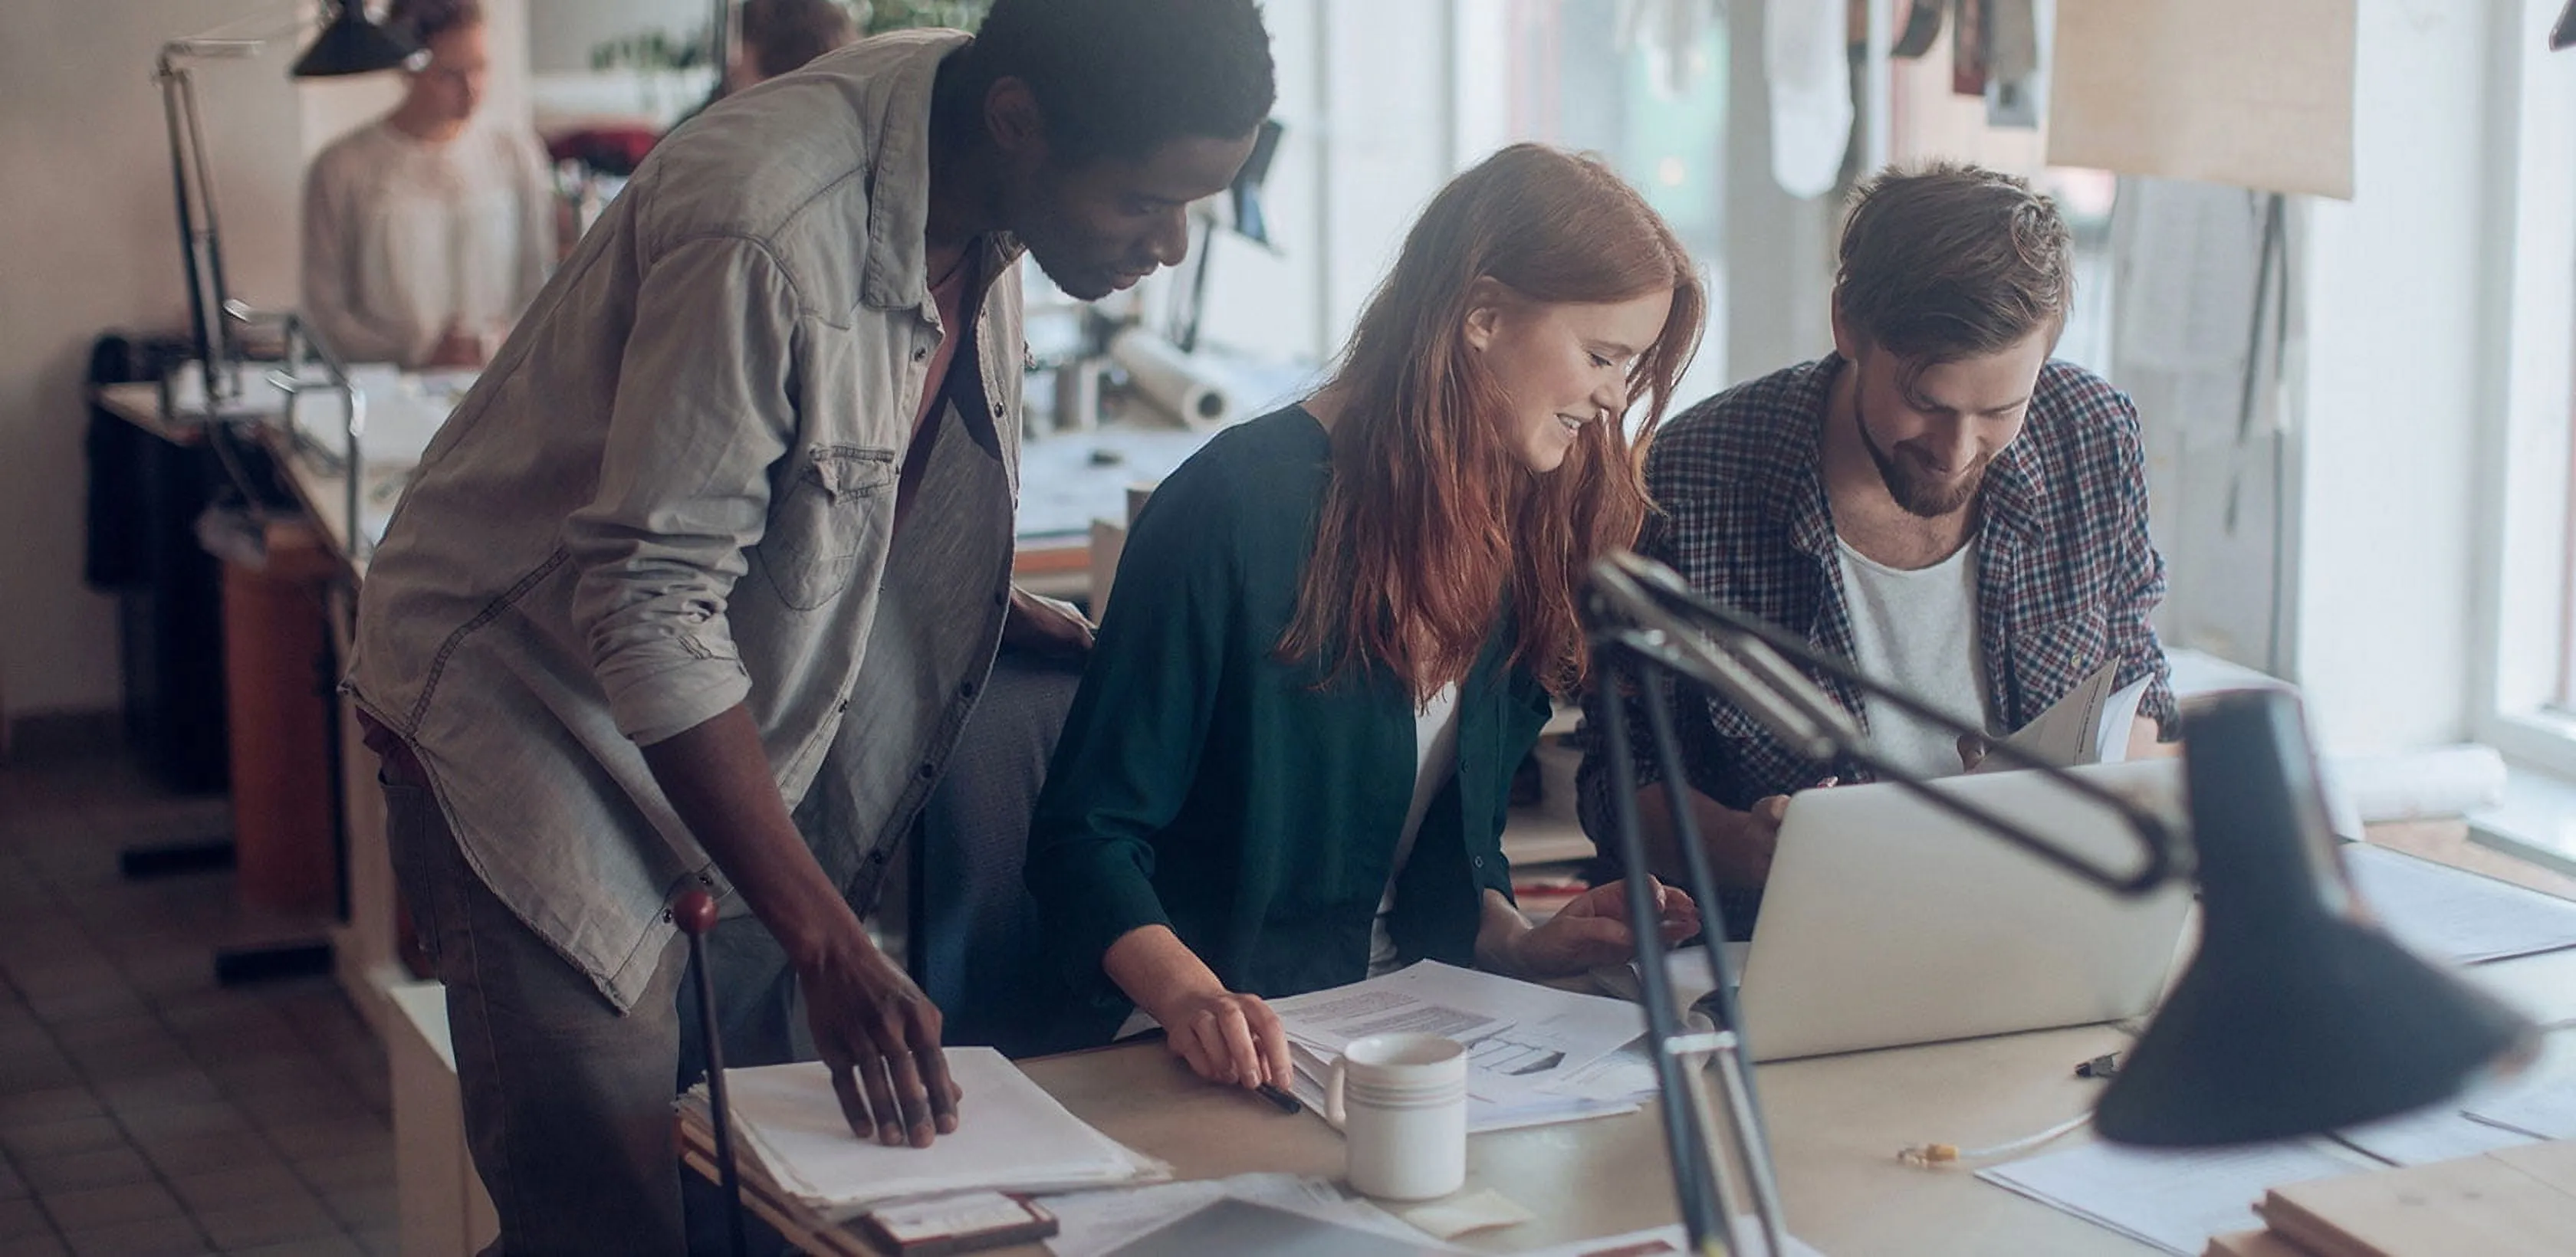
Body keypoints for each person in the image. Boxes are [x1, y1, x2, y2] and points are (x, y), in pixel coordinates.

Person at [341, 2, 1274, 1250]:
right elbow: (648, 606)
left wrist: (967, 594)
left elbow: (825, 469)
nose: (1170, 245)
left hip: (704, 713)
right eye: (1142, 203)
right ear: (1019, 123)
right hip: (528, 722)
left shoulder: (973, 148)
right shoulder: (767, 224)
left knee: (757, 1192)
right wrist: (828, 945)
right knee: (609, 1216)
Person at [1024, 143, 1706, 1095]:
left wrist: (1521, 940)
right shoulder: (1233, 508)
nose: (1614, 398)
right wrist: (1194, 997)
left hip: (1413, 1031)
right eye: (1602, 357)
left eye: (1629, 368)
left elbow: (1435, 862)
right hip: (1219, 1044)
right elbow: (1085, 839)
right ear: (1482, 314)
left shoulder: (1520, 518)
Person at [1578, 162, 2177, 938]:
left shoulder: (2092, 436)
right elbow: (1617, 783)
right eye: (1926, 403)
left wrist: (2093, 796)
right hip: (1798, 940)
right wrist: (1747, 846)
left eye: (2001, 410)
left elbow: (2140, 689)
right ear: (1847, 326)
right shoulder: (1691, 479)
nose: (1956, 451)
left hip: (2042, 929)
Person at [300, 0, 554, 369]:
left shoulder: (515, 154)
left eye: (480, 68)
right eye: (450, 74)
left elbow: (541, 286)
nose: (471, 89)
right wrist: (418, 352)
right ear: (408, 68)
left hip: (501, 382)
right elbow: (326, 314)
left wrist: (498, 344)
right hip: (389, 388)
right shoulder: (342, 168)